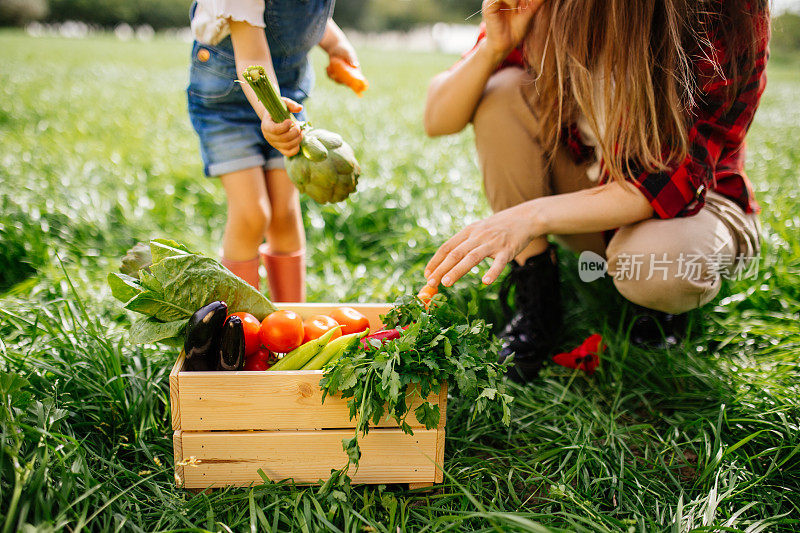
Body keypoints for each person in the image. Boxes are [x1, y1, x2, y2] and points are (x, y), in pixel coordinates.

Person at [423, 0, 769, 381]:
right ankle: (537, 296)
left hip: (695, 205)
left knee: (661, 265)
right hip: (593, 178)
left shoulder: (724, 8)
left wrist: (529, 216)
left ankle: (657, 307)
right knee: (500, 92)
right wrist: (495, 47)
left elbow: (669, 182)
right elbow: (437, 118)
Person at [187, 0, 360, 301]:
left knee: (285, 213)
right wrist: (271, 112)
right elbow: (253, 61)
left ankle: (291, 320)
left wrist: (335, 43)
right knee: (253, 214)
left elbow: (300, 17)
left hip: (286, 99)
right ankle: (242, 326)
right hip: (227, 107)